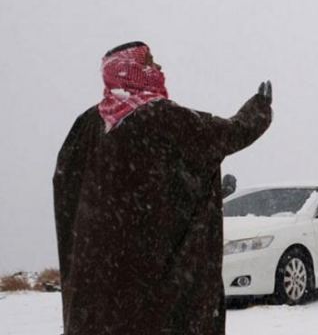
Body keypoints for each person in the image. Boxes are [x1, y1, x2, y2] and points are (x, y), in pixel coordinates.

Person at [53, 42, 273, 335]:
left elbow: (65, 184)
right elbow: (226, 134)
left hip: (99, 288)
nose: (159, 69)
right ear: (131, 71)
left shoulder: (87, 126)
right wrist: (258, 108)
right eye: (150, 63)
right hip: (152, 278)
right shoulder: (162, 117)